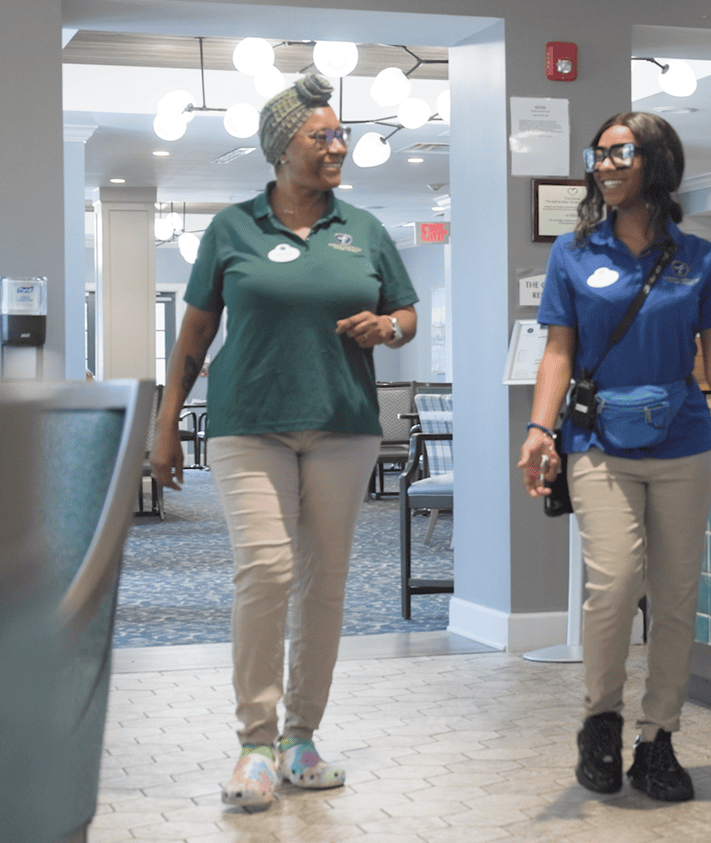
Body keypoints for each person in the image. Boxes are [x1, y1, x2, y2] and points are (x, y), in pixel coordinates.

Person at [149, 74, 419, 811]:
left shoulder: (362, 228)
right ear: (279, 149)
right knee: (265, 572)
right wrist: (166, 420)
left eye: (340, 135)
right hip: (249, 420)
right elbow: (197, 332)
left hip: (341, 422)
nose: (338, 146)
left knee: (325, 581)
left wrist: (388, 327)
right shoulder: (232, 229)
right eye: (320, 136)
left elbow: (405, 311)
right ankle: (255, 742)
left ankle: (301, 737)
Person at [518, 112, 711, 803]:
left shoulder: (701, 259)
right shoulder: (574, 254)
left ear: (656, 162)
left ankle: (657, 737)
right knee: (615, 583)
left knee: (677, 597)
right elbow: (558, 353)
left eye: (620, 152)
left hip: (685, 443)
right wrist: (540, 429)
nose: (604, 163)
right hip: (598, 444)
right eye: (597, 154)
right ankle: (600, 718)